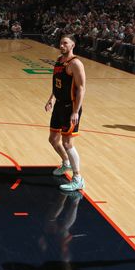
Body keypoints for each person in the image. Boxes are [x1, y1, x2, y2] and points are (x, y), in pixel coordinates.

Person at [44, 35, 87, 192]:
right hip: (59, 105)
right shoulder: (59, 60)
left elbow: (81, 88)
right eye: (60, 42)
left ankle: (78, 178)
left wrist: (76, 111)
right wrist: (51, 99)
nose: (61, 45)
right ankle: (66, 163)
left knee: (67, 143)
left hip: (71, 107)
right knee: (53, 139)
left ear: (72, 45)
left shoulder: (75, 63)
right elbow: (57, 84)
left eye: (65, 43)